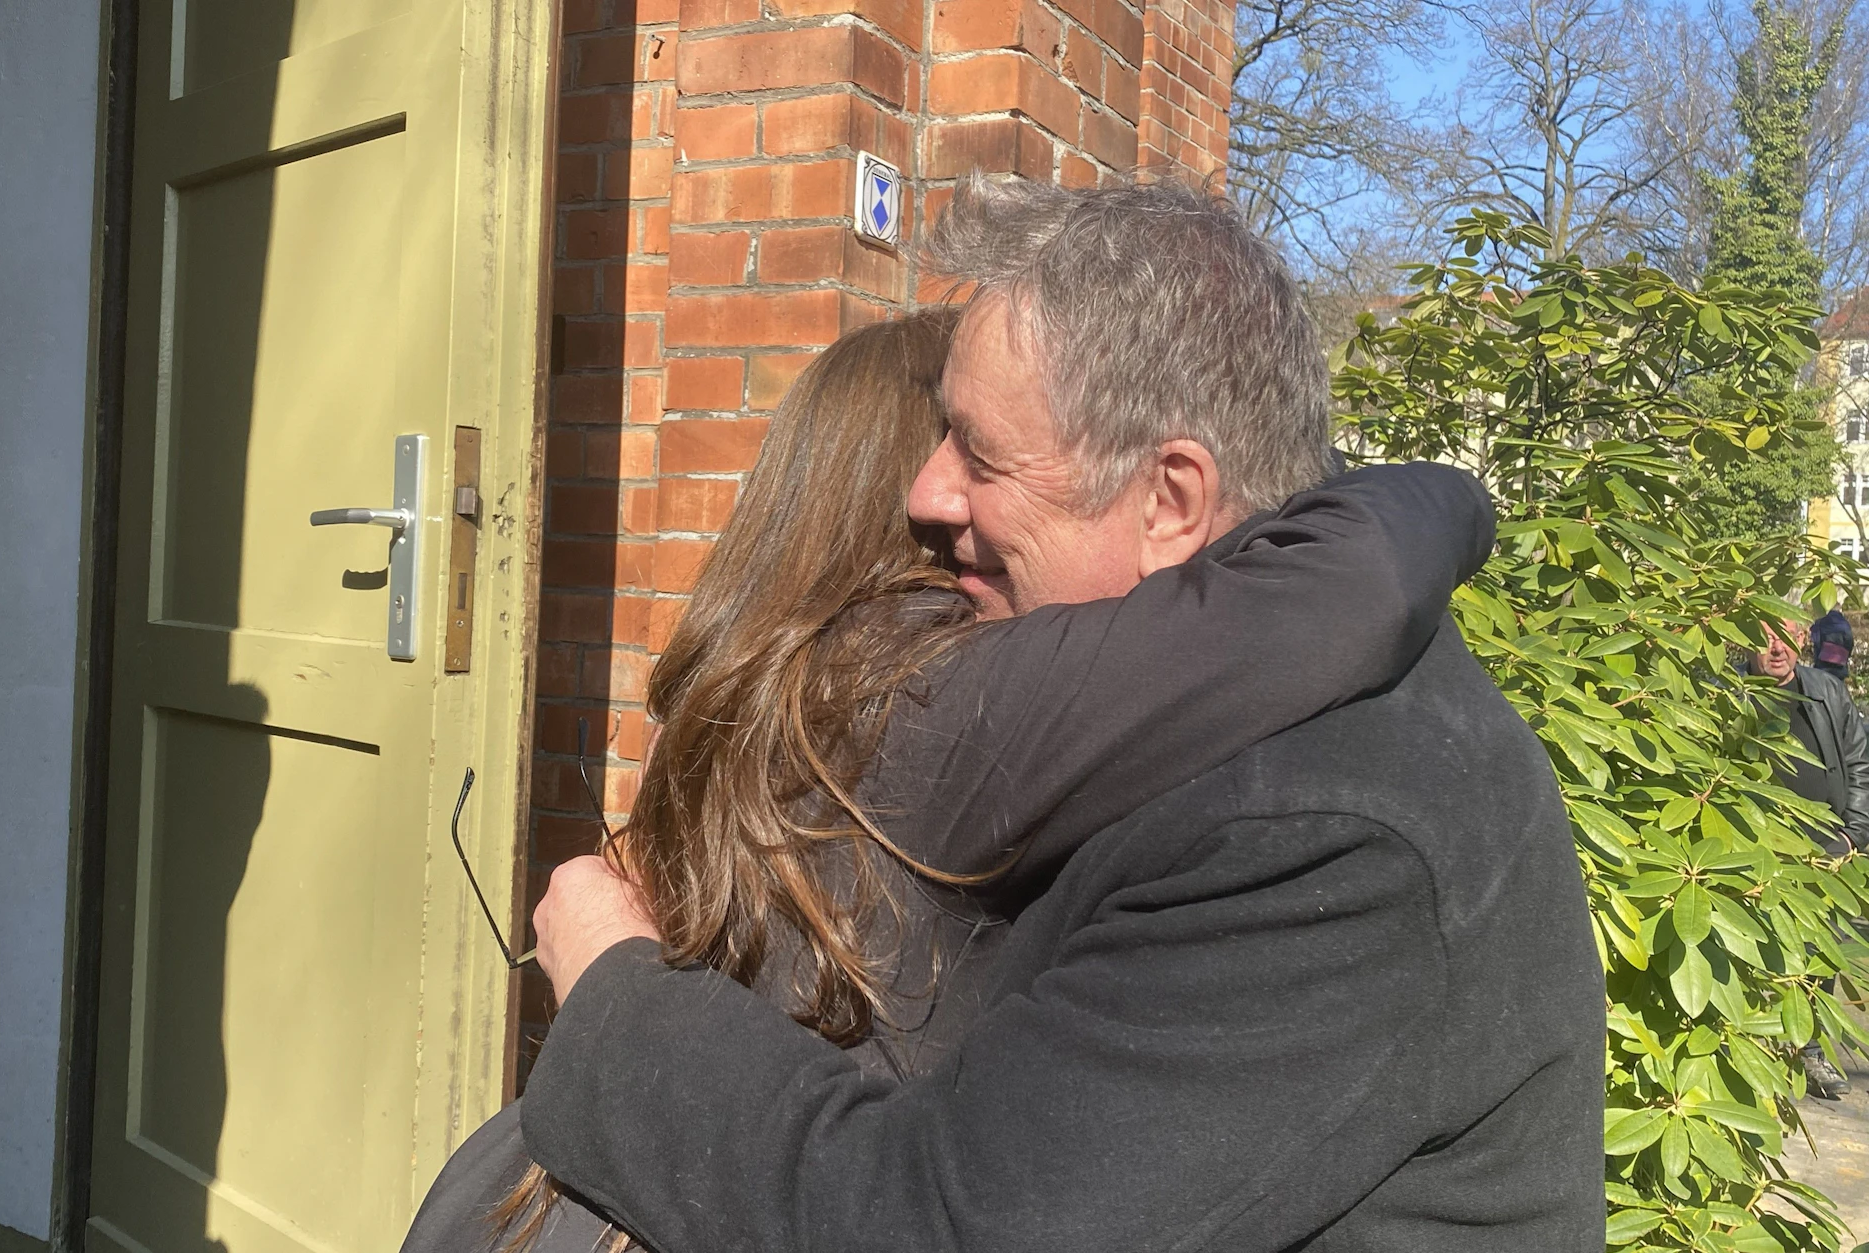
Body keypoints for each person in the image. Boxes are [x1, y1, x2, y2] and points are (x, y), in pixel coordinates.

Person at [519, 178, 1605, 1252]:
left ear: (1168, 500)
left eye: (982, 456)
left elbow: (931, 1224)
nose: (927, 494)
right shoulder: (1198, 693)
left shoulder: (1322, 834)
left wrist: (621, 999)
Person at [1748, 617, 1869, 1098]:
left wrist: (1854, 834)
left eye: (1786, 636)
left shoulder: (1827, 691)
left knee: (1822, 952)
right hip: (1760, 848)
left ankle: (1810, 1051)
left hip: (1828, 847)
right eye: (1764, 636)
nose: (1776, 648)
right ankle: (1756, 1054)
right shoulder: (1729, 693)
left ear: (1803, 640)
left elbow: (1861, 760)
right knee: (1762, 950)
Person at [1811, 606, 1855, 682]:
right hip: (1840, 662)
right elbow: (1849, 641)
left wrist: (1818, 655)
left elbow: (1816, 640)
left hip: (1823, 662)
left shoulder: (1821, 622)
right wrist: (1846, 656)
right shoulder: (1845, 624)